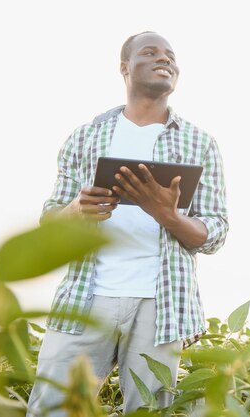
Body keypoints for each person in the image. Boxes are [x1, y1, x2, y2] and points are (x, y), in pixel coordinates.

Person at [26, 31, 228, 416]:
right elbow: (50, 221)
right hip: (87, 297)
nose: (163, 59)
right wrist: (76, 211)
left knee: (150, 411)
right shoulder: (85, 137)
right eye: (150, 52)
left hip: (162, 306)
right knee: (51, 408)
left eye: (170, 55)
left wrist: (166, 214)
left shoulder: (200, 142)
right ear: (124, 67)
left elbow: (215, 230)